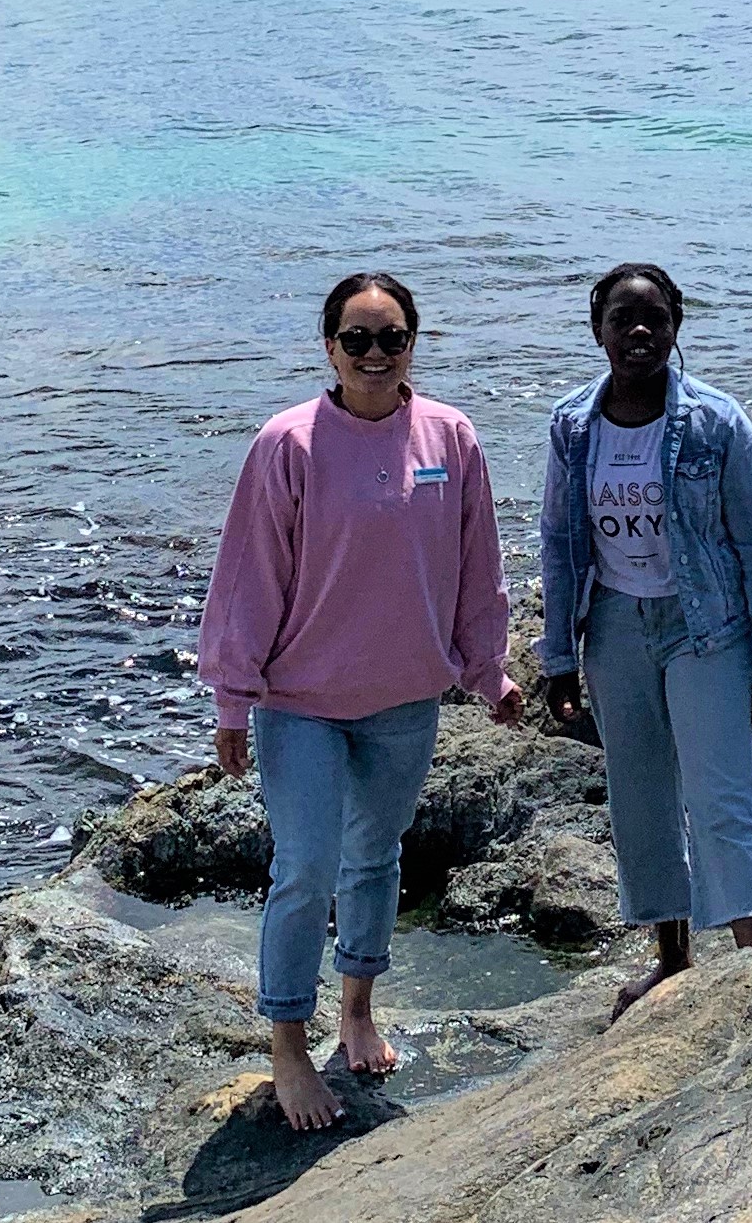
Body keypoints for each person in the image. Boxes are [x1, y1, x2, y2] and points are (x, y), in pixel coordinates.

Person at [199, 270, 522, 1131]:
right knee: (304, 868)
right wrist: (234, 697)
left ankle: (357, 1010)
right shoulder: (288, 443)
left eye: (392, 338)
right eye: (357, 340)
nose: (375, 356)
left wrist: (487, 670)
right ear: (329, 347)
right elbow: (248, 578)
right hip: (299, 700)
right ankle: (288, 1051)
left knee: (375, 858)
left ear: (415, 342)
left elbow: (476, 563)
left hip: (404, 699)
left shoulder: (451, 438)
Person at [536, 263, 752, 1018]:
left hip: (705, 626)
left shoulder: (718, 422)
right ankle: (673, 959)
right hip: (616, 626)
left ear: (677, 327)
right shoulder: (571, 427)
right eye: (624, 320)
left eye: (655, 319)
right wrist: (557, 656)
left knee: (722, 790)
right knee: (641, 795)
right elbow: (557, 542)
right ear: (599, 332)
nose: (640, 333)